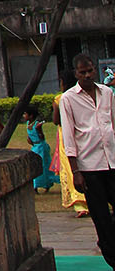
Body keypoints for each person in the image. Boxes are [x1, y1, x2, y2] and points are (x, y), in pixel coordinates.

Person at [58, 53, 115, 271]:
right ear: (76, 74)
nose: (88, 75)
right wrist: (76, 171)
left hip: (112, 161)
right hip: (89, 167)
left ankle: (109, 242)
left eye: (90, 70)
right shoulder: (69, 99)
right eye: (83, 72)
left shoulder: (107, 93)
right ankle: (111, 255)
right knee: (100, 216)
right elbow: (69, 136)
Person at [52, 69, 89, 216]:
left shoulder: (59, 99)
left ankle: (80, 204)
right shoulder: (81, 96)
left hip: (66, 136)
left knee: (69, 167)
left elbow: (56, 121)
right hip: (81, 134)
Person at [24, 111, 59, 191]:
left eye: (25, 114)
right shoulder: (28, 124)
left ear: (31, 115)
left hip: (41, 147)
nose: (24, 116)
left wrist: (38, 130)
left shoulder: (36, 125)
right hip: (35, 146)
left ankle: (45, 184)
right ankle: (37, 185)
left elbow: (42, 137)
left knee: (43, 165)